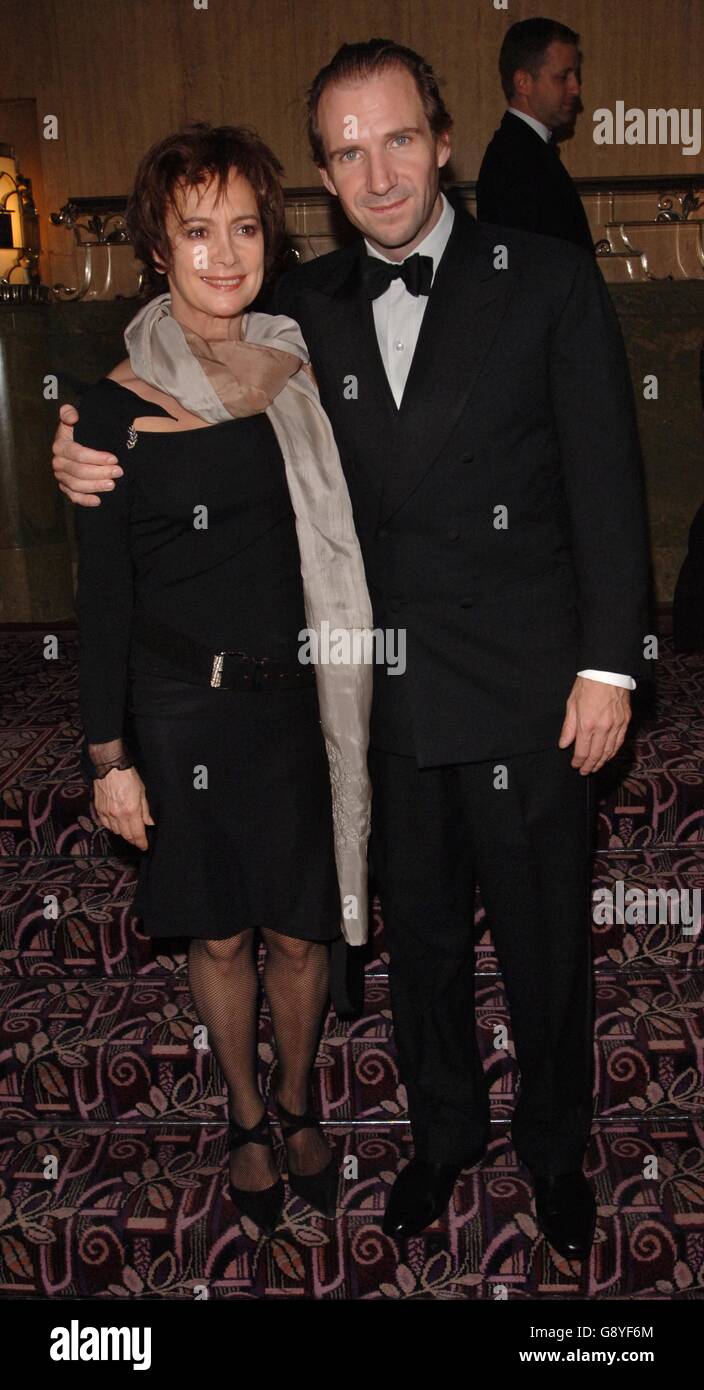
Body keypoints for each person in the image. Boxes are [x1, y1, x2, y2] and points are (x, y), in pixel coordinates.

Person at [52, 39, 651, 1261]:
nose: (374, 172)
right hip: (376, 695)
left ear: (439, 141)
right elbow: (176, 356)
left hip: (531, 691)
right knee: (418, 939)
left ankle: (550, 1146)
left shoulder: (542, 278)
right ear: (324, 173)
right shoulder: (298, 312)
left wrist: (610, 666)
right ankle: (441, 1138)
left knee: (544, 946)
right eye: (344, 150)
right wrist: (79, 441)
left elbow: (607, 481)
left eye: (395, 139)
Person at [65, 122, 373, 1238]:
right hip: (180, 708)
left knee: (298, 930)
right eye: (197, 230)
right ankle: (243, 1111)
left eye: (244, 226)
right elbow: (102, 597)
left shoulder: (298, 365)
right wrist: (108, 757)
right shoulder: (109, 408)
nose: (224, 252)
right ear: (158, 245)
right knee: (220, 935)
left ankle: (296, 1097)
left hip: (295, 701)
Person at [476, 17, 595, 251]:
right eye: (562, 77)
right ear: (523, 82)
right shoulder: (514, 160)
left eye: (575, 76)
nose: (575, 88)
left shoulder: (522, 151)